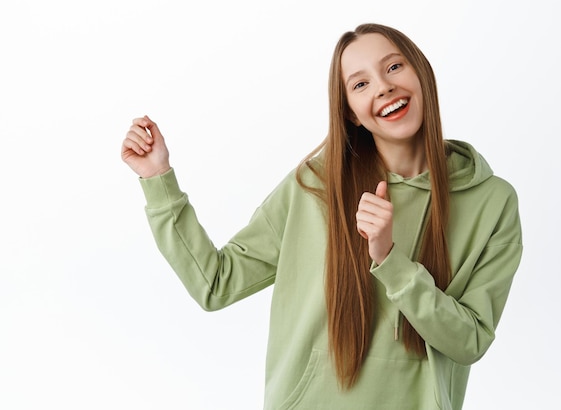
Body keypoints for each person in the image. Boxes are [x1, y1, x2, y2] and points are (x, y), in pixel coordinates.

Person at [121, 23, 522, 410]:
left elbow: (469, 341)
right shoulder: (315, 185)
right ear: (350, 112)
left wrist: (389, 260)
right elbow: (216, 283)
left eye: (394, 66)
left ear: (422, 73)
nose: (384, 87)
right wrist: (159, 181)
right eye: (360, 84)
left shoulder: (492, 201)